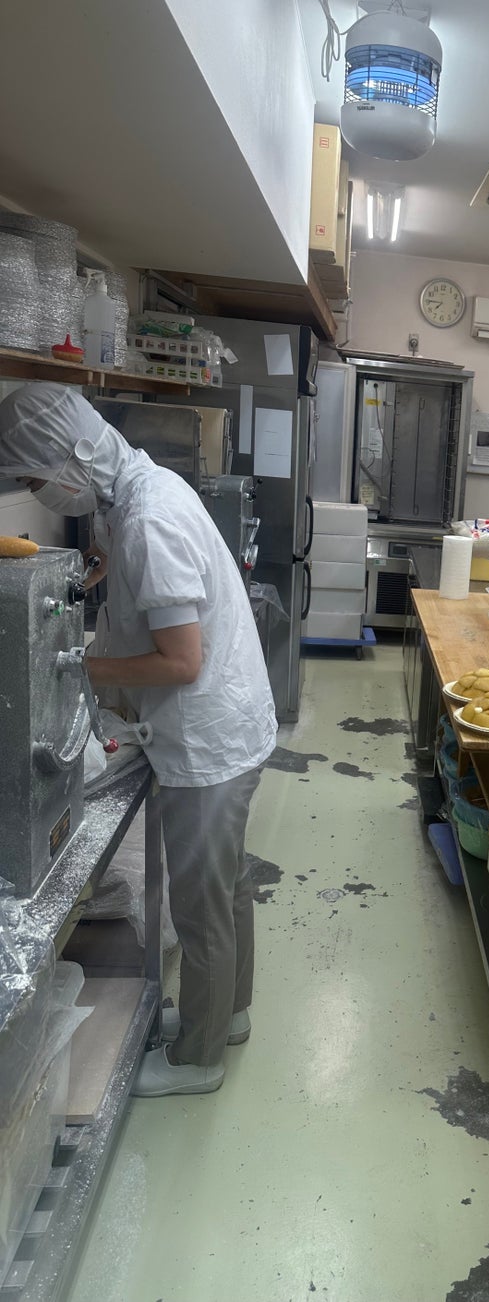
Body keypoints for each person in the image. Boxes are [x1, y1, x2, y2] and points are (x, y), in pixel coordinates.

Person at [0, 382, 277, 1096]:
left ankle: (198, 1060)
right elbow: (131, 576)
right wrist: (97, 571)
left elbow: (181, 662)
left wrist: (77, 667)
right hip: (228, 721)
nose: (34, 491)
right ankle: (230, 1014)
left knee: (201, 906)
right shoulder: (134, 492)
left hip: (208, 741)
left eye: (32, 478)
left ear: (71, 458)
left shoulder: (150, 516)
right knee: (227, 885)